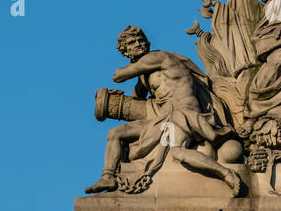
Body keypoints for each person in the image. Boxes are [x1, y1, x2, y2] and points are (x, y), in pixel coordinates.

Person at [86, 26, 243, 195]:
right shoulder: (146, 71)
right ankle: (108, 177)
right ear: (125, 51)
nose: (138, 44)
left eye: (141, 40)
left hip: (183, 112)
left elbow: (118, 76)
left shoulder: (156, 57)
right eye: (132, 42)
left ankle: (227, 174)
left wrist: (128, 68)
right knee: (115, 134)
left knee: (179, 152)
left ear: (148, 43)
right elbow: (138, 97)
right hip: (165, 117)